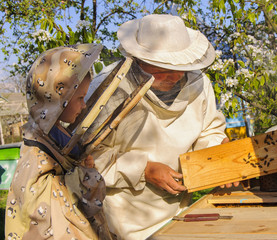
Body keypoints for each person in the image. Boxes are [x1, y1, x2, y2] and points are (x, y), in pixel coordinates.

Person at [91, 14, 237, 240]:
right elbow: (88, 159)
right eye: (163, 68)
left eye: (180, 67)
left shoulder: (199, 84)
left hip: (181, 212)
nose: (176, 76)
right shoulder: (108, 90)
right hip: (122, 221)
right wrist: (144, 169)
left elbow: (209, 131)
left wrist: (217, 154)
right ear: (138, 60)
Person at [5, 44, 114, 239]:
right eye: (80, 97)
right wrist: (85, 175)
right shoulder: (38, 151)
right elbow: (54, 207)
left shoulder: (53, 135)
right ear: (58, 98)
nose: (84, 104)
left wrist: (81, 166)